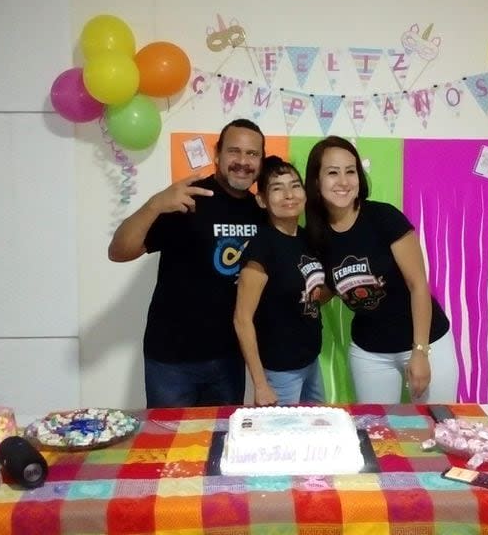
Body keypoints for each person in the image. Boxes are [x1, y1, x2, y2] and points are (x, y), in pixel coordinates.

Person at [108, 118, 265, 407]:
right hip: (172, 360)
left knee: (220, 443)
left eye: (253, 154)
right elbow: (119, 251)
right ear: (217, 154)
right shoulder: (187, 197)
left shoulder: (262, 212)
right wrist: (154, 204)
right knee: (169, 449)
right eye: (234, 151)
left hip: (229, 359)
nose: (243, 161)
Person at [304, 136, 458, 404]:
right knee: (377, 432)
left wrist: (420, 352)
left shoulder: (383, 217)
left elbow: (418, 284)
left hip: (426, 342)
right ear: (316, 182)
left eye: (350, 171)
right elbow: (329, 288)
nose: (343, 181)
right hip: (370, 352)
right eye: (332, 172)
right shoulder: (316, 235)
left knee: (437, 428)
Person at [233, 156, 327, 406]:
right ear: (262, 200)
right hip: (279, 373)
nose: (289, 194)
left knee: (317, 435)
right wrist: (261, 384)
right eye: (277, 188)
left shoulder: (308, 239)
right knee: (283, 443)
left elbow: (313, 293)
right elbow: (242, 320)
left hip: (311, 363)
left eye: (295, 185)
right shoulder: (262, 246)